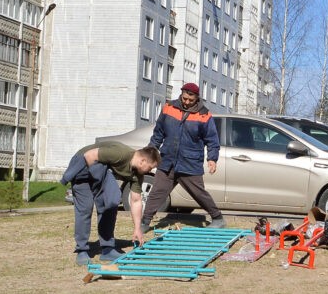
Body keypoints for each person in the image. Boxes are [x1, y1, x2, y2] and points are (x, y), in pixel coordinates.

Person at [141, 82, 226, 230]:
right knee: (157, 192)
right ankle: (144, 222)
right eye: (184, 98)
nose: (186, 102)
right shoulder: (169, 108)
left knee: (199, 194)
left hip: (190, 163)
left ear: (196, 98)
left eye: (190, 100)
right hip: (167, 160)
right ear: (181, 94)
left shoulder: (204, 115)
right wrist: (151, 151)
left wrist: (212, 159)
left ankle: (218, 218)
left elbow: (212, 140)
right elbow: (159, 132)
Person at [60, 142, 159, 266]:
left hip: (101, 170)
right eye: (150, 168)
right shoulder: (121, 154)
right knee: (85, 208)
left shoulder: (138, 175)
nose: (150, 171)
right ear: (142, 161)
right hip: (83, 164)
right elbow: (89, 155)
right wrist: (97, 187)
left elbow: (136, 200)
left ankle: (107, 249)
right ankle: (82, 250)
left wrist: (137, 228)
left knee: (111, 201)